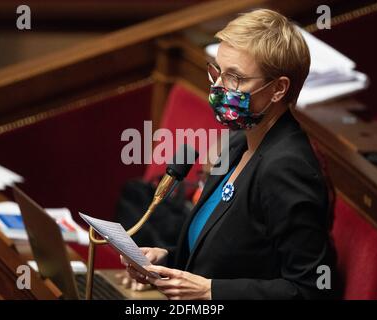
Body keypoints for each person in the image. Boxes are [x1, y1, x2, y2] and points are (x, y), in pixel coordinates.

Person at [121, 8, 338, 300]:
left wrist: (212, 291)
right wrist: (167, 261)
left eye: (235, 78)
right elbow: (226, 255)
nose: (219, 87)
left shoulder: (288, 167)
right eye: (218, 71)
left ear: (278, 89)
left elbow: (312, 290)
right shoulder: (237, 141)